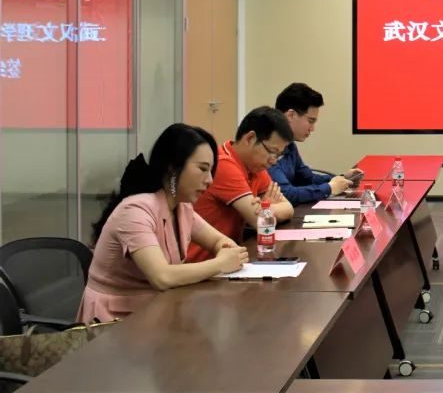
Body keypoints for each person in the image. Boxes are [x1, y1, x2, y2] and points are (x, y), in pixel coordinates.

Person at [78, 124, 248, 323]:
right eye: (203, 169)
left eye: (211, 171)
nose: (209, 180)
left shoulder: (182, 207)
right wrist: (220, 263)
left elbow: (220, 242)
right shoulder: (135, 210)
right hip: (112, 321)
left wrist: (225, 251)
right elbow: (162, 277)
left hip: (154, 311)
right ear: (173, 167)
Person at [186, 106, 295, 262]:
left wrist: (266, 209)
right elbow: (259, 222)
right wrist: (266, 212)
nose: (273, 161)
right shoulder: (224, 164)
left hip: (231, 258)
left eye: (278, 155)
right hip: (202, 264)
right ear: (250, 138)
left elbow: (289, 208)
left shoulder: (255, 167)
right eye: (272, 151)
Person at [269, 83, 362, 205]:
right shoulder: (267, 148)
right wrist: (329, 188)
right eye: (310, 121)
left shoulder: (289, 145)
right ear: (291, 115)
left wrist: (342, 178)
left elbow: (307, 178)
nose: (312, 129)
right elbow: (286, 194)